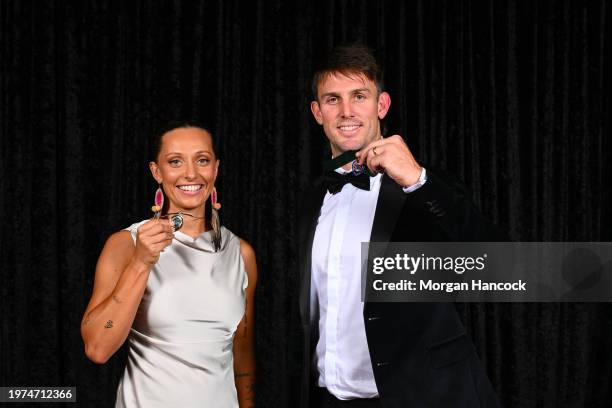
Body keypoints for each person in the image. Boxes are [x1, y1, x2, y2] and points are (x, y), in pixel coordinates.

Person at [298, 44, 501, 407]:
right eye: (332, 99)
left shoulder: (427, 186)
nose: (346, 111)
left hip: (423, 397)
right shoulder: (310, 200)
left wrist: (418, 181)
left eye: (359, 96)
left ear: (382, 105)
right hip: (330, 398)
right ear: (317, 111)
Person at [81, 122, 257, 408]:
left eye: (202, 160)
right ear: (156, 172)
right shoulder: (126, 244)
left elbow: (242, 355)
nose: (191, 173)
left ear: (215, 169)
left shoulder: (240, 253)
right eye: (175, 161)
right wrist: (141, 262)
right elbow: (98, 348)